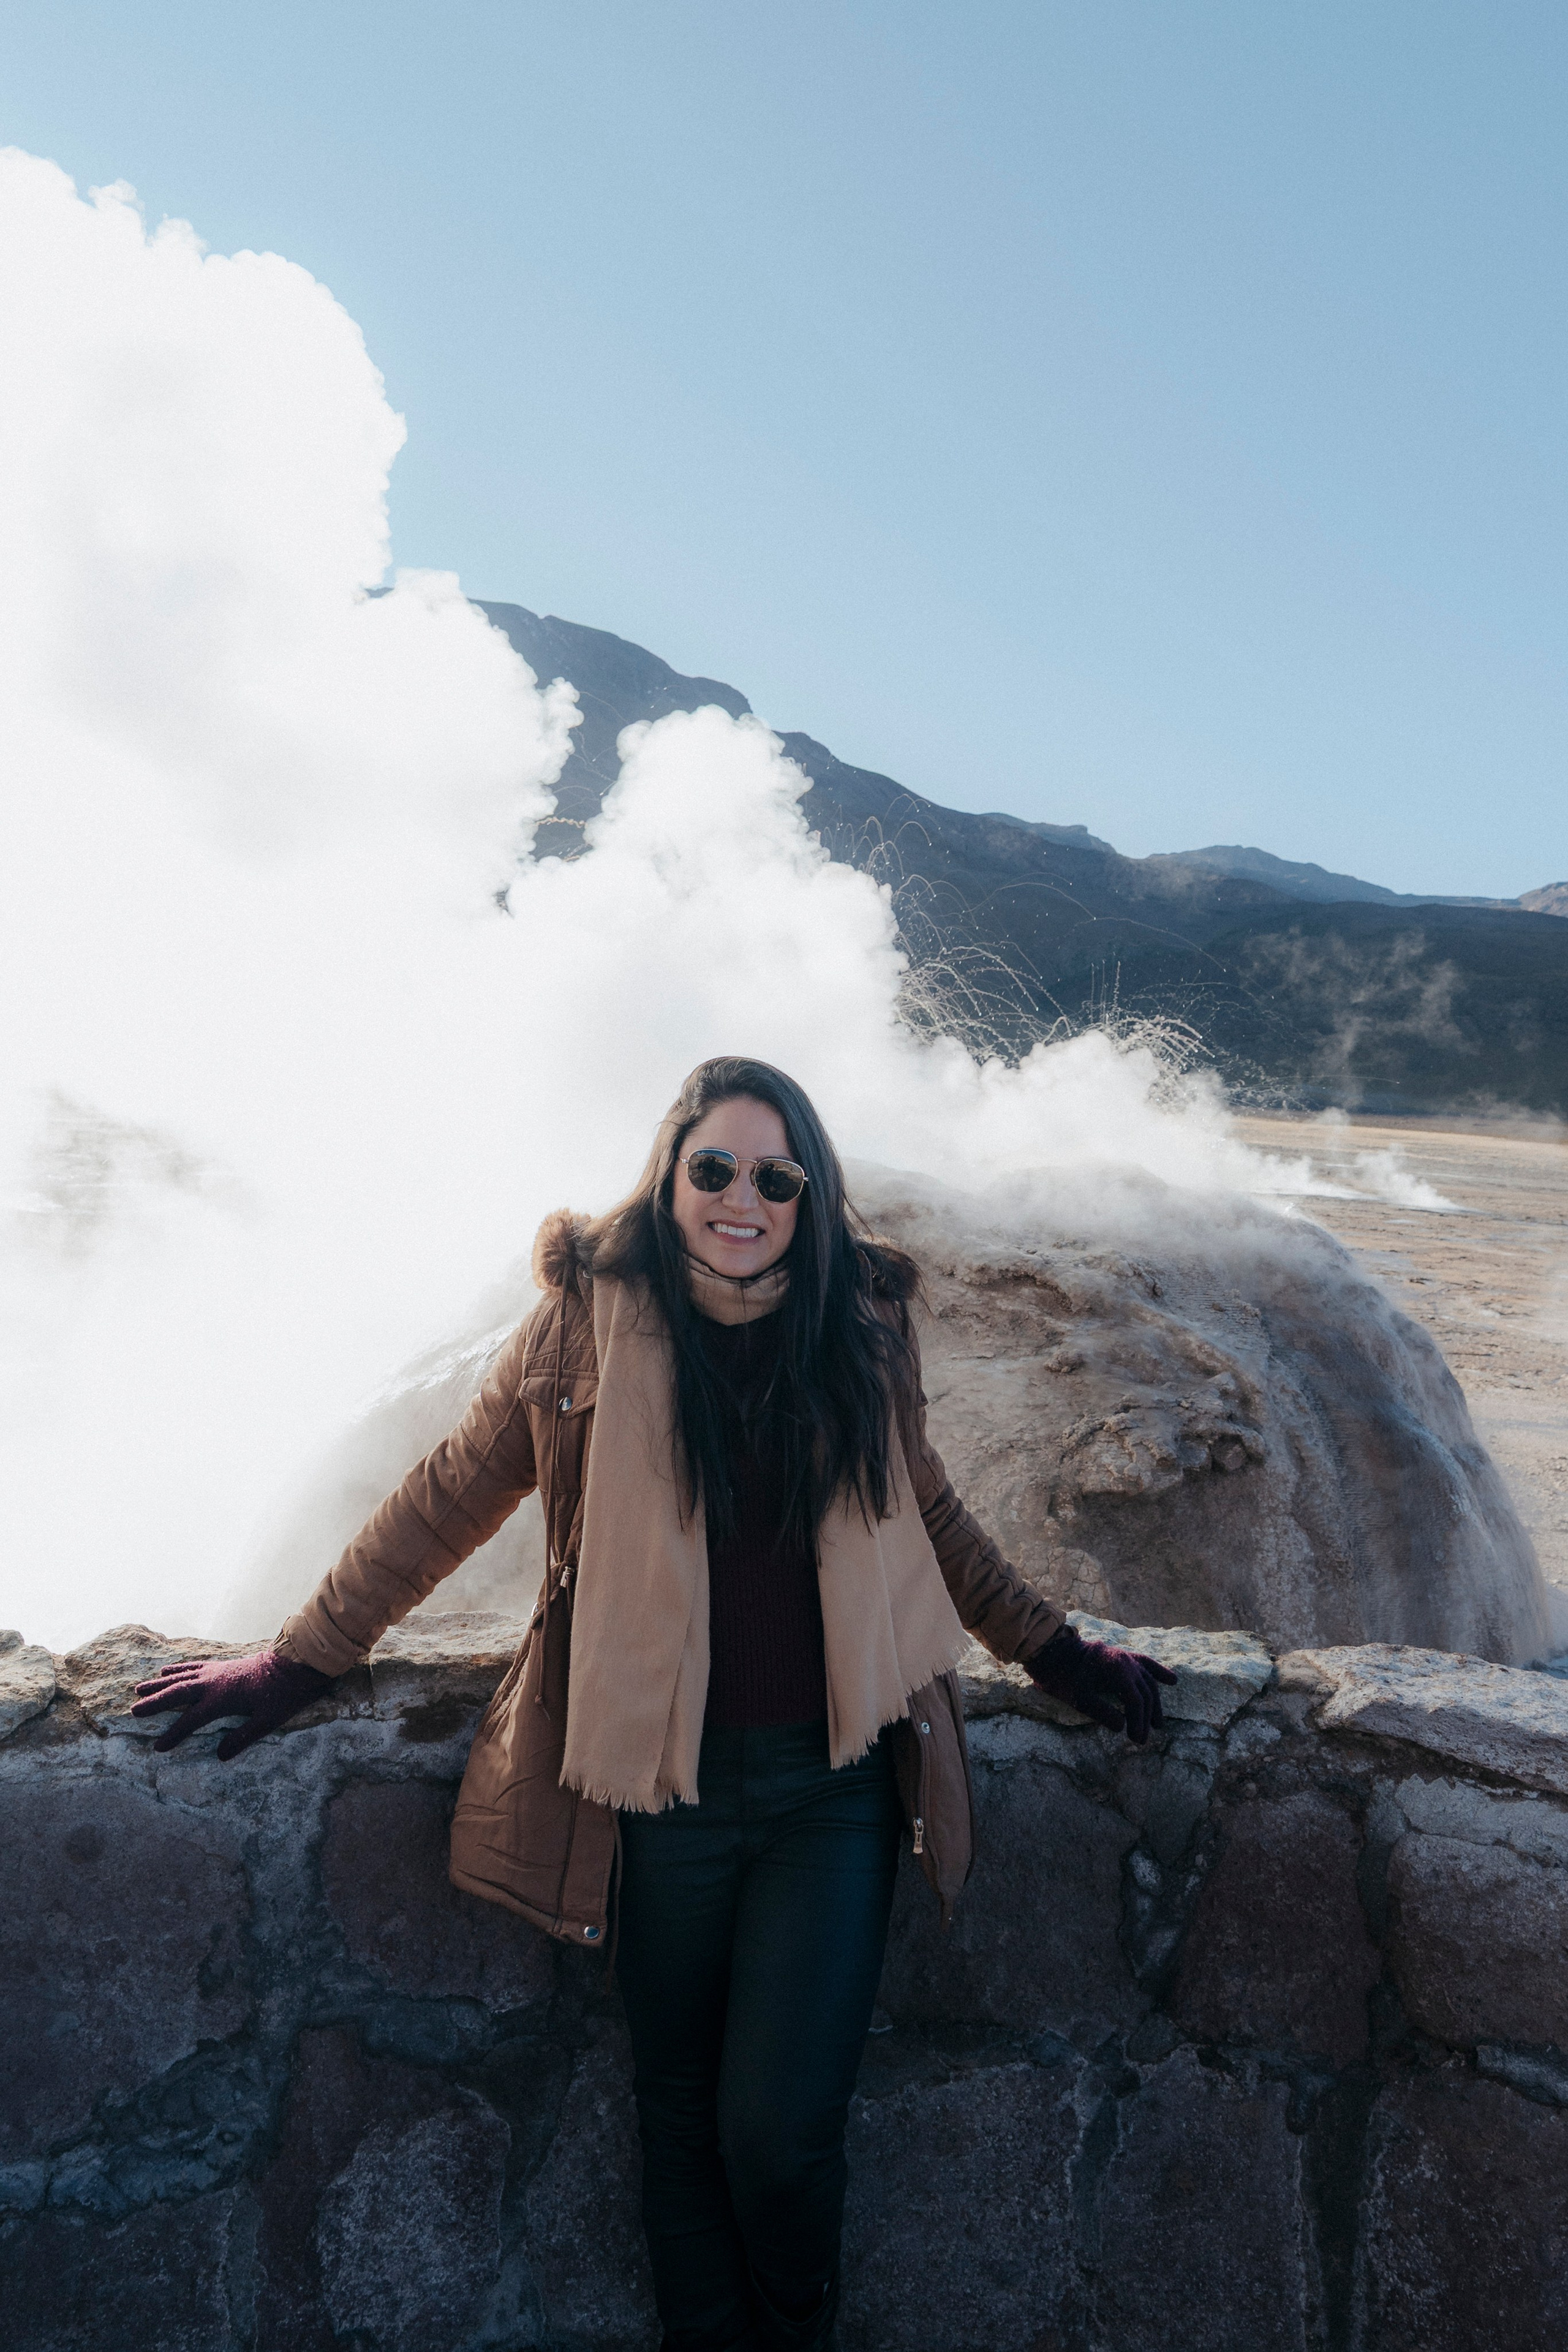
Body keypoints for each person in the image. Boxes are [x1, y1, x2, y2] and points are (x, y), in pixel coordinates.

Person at [135, 1056, 1175, 2352]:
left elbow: (930, 1514)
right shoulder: (585, 1313)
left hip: (829, 1789)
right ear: (671, 1168)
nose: (743, 1198)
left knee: (777, 2137)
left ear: (809, 1197)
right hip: (658, 1789)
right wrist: (298, 1659)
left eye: (775, 1177)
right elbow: (452, 1490)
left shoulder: (857, 1323)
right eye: (716, 1168)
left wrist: (1059, 1653)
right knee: (675, 2115)